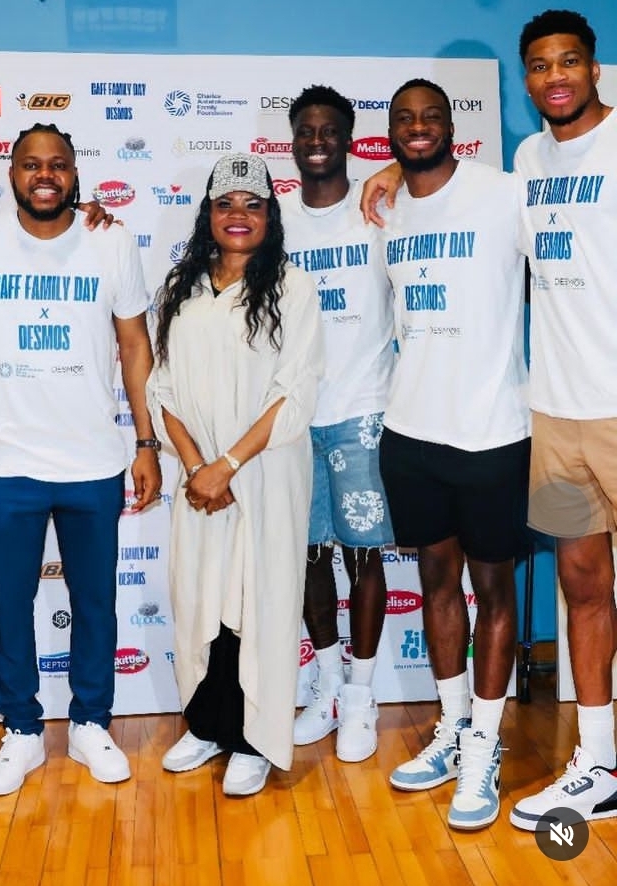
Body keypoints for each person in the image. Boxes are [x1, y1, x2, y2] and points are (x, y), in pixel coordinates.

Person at [0, 122, 161, 796]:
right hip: (6, 461)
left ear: (76, 174)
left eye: (59, 165)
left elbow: (135, 345)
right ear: (10, 173)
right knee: (11, 604)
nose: (45, 175)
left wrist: (146, 441)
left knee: (95, 602)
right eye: (31, 164)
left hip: (93, 459)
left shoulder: (111, 239)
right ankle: (21, 730)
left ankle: (89, 723)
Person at [376, 79, 530, 830]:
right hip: (409, 432)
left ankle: (487, 748)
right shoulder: (383, 209)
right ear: (390, 132)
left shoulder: (505, 193)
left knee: (493, 592)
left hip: (492, 433)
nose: (417, 128)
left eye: (431, 116)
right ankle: (453, 726)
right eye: (403, 119)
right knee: (437, 583)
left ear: (452, 126)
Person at [149, 153, 324, 795]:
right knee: (202, 601)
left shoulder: (292, 288)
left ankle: (254, 739)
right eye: (226, 204)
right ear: (208, 214)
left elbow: (294, 391)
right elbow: (159, 389)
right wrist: (198, 468)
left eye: (253, 204)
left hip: (265, 473)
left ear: (270, 216)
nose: (239, 215)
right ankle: (208, 725)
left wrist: (228, 465)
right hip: (200, 485)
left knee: (262, 601)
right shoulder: (180, 290)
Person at [509, 9, 617, 831]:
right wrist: (392, 178)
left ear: (595, 68)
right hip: (557, 411)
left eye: (569, 61)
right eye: (541, 65)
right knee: (582, 585)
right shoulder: (526, 158)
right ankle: (599, 762)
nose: (555, 76)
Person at [282, 86, 393, 763]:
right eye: (305, 129)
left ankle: (361, 694)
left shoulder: (380, 208)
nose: (317, 139)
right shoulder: (276, 220)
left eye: (329, 129)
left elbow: (438, 179)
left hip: (364, 410)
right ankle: (324, 682)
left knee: (365, 558)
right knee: (307, 558)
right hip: (295, 415)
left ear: (348, 137)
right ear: (292, 140)